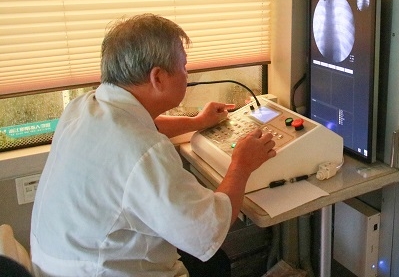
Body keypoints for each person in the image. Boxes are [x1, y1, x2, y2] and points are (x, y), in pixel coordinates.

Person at [30, 14, 276, 276]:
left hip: (58, 261)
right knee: (214, 264)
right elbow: (209, 230)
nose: (187, 74)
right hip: (100, 270)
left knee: (215, 263)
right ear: (158, 78)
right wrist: (241, 165)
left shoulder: (83, 107)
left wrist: (197, 121)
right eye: (184, 66)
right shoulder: (143, 151)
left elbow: (144, 124)